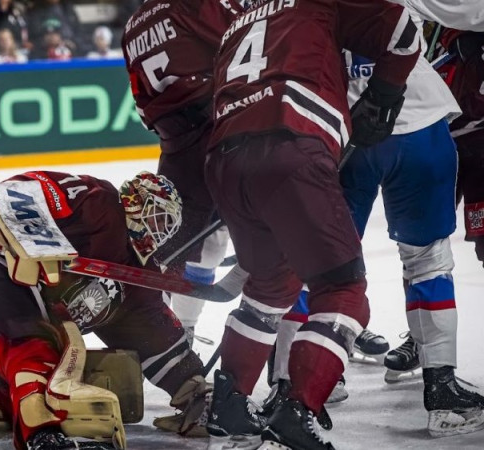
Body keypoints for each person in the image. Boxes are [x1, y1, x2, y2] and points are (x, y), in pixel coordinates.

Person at [202, 0, 421, 448]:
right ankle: (297, 406)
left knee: (269, 286)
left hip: (224, 157)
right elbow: (403, 30)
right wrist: (382, 96)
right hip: (291, 142)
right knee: (344, 291)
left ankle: (228, 404)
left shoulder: (237, 22)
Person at [266, 4, 484, 439]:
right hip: (418, 126)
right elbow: (471, 11)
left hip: (341, 132)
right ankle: (441, 393)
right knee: (429, 263)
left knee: (314, 267)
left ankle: (293, 385)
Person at [0, 170, 213, 449]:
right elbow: (17, 191)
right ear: (133, 203)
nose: (157, 232)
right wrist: (36, 247)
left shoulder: (137, 280)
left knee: (57, 377)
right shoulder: (98, 200)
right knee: (33, 350)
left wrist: (196, 389)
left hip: (4, 308)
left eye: (165, 226)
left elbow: (155, 335)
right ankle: (40, 437)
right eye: (155, 216)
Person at [121, 0, 241, 348]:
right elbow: (249, 38)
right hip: (222, 129)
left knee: (182, 246)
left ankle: (177, 335)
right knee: (283, 228)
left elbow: (143, 103)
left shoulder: (133, 25)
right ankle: (302, 331)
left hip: (176, 144)